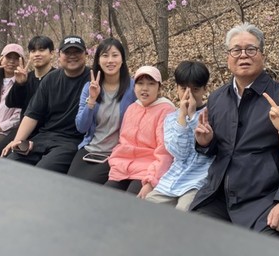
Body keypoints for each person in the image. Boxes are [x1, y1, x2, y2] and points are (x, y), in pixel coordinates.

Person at [190, 22, 279, 234]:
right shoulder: (217, 98)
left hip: (263, 200)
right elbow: (217, 150)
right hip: (217, 197)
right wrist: (206, 143)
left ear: (262, 56)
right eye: (236, 50)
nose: (243, 55)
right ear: (228, 57)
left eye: (251, 49)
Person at [1, 36, 90, 173]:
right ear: (59, 55)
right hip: (44, 136)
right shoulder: (51, 79)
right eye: (67, 52)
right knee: (10, 163)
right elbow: (32, 114)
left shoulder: (93, 78)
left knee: (42, 172)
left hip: (71, 141)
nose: (72, 56)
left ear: (86, 54)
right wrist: (17, 141)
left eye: (77, 52)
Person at [144, 61, 213, 211]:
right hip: (172, 179)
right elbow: (179, 153)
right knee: (146, 207)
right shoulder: (171, 118)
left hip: (198, 180)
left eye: (195, 89)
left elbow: (205, 148)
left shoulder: (211, 114)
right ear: (177, 88)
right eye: (183, 89)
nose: (189, 95)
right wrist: (182, 116)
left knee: (182, 212)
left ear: (205, 89)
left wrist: (193, 116)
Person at [67, 38, 136, 184]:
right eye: (105, 55)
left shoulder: (133, 88)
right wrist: (92, 100)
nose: (110, 60)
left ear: (122, 60)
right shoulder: (89, 87)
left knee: (87, 187)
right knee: (69, 185)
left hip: (115, 153)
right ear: (98, 61)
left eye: (115, 55)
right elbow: (81, 127)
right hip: (90, 148)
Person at [105, 65, 175, 198]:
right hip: (121, 168)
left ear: (159, 88)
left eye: (151, 84)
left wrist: (151, 181)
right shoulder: (132, 108)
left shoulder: (165, 110)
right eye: (140, 83)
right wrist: (115, 165)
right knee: (103, 198)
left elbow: (164, 151)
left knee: (130, 203)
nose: (145, 88)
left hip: (147, 170)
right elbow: (122, 142)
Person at [5, 35, 56, 123]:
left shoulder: (58, 77)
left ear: (51, 54)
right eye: (33, 51)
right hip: (26, 129)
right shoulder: (26, 77)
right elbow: (11, 103)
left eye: (41, 50)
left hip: (51, 128)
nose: (37, 54)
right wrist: (19, 84)